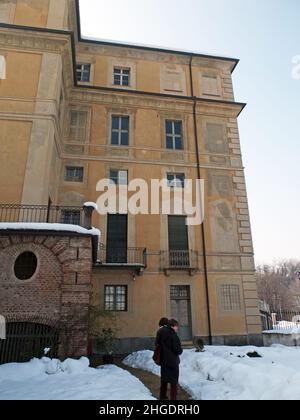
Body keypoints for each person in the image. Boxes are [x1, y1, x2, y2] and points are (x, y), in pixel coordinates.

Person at [157, 319, 183, 401]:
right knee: (174, 382)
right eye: (176, 326)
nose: (177, 328)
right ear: (172, 326)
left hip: (163, 360)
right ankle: (173, 398)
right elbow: (178, 350)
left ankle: (162, 396)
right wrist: (180, 350)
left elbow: (157, 344)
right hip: (173, 362)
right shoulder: (174, 335)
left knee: (164, 380)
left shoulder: (160, 332)